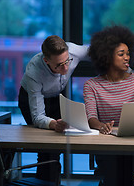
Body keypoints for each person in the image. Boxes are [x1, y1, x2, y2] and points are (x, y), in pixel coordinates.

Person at [83, 25, 134, 185]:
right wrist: (102, 126)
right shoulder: (92, 85)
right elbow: (91, 118)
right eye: (121, 54)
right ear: (107, 56)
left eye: (128, 54)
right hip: (108, 144)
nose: (126, 58)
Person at [18, 35, 89, 181]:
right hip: (31, 98)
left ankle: (53, 182)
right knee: (45, 145)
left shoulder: (74, 50)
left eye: (67, 61)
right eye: (58, 65)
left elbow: (100, 52)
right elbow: (38, 117)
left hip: (57, 95)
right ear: (46, 60)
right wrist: (54, 124)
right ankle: (46, 183)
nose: (65, 68)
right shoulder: (34, 72)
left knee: (58, 144)